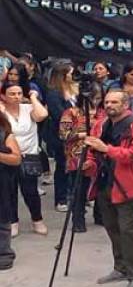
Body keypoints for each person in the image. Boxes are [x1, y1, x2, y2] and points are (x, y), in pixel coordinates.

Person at [84, 90, 133, 287]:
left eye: (114, 102)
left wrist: (107, 149)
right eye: (107, 102)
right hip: (104, 181)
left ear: (125, 104)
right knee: (111, 227)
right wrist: (89, 162)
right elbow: (93, 151)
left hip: (128, 184)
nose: (109, 105)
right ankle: (120, 267)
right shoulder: (101, 124)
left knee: (128, 231)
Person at [0, 84, 49, 237]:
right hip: (8, 155)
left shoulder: (28, 109)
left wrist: (33, 97)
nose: (16, 96)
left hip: (29, 155)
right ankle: (13, 222)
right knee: (9, 191)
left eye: (19, 93)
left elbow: (42, 115)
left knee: (31, 191)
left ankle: (37, 220)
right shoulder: (2, 111)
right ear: (4, 96)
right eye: (12, 93)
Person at [59, 86, 102, 233]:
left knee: (101, 187)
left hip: (100, 153)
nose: (96, 102)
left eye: (98, 98)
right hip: (78, 154)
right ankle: (78, 220)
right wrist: (81, 135)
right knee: (79, 190)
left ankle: (100, 216)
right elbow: (63, 134)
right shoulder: (71, 112)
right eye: (93, 98)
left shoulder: (103, 113)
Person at [44, 62, 77, 212]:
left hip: (77, 133)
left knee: (76, 165)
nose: (73, 75)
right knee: (63, 166)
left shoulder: (73, 89)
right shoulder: (53, 93)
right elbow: (59, 115)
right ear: (63, 75)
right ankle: (61, 198)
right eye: (70, 73)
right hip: (61, 135)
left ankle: (75, 194)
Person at [0, 111, 21, 270]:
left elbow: (16, 159)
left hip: (2, 183)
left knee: (2, 220)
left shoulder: (6, 135)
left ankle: (4, 255)